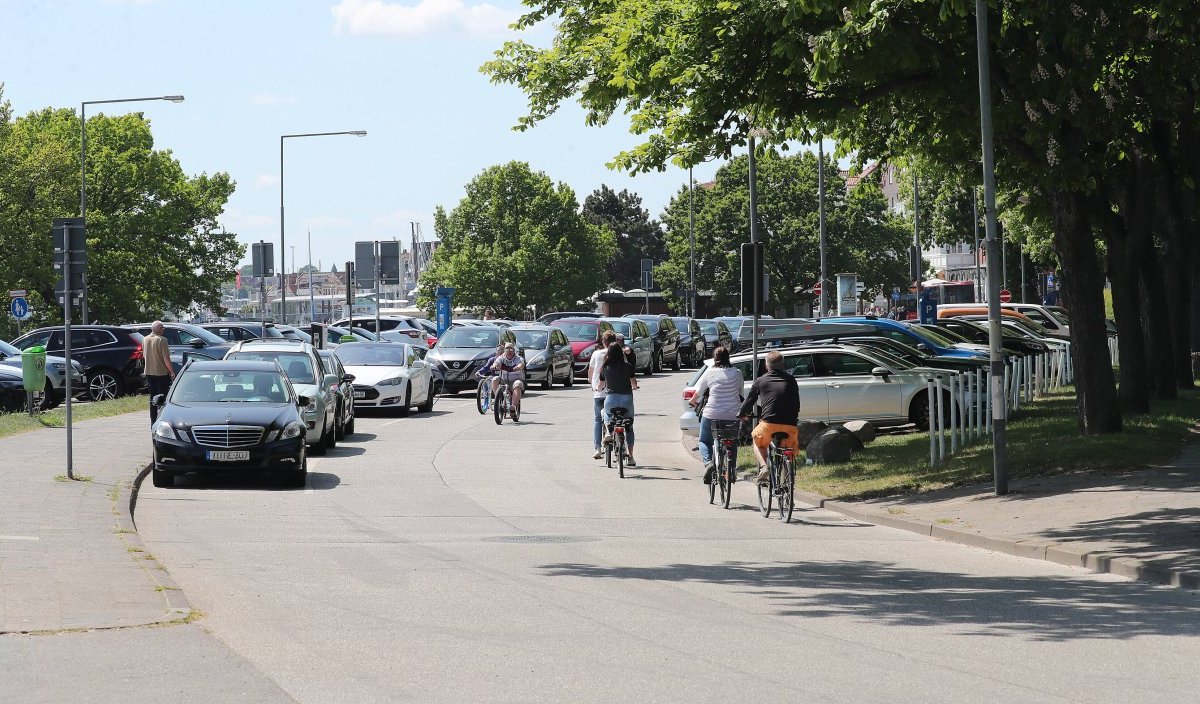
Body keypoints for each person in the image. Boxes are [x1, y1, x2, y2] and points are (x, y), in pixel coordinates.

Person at [738, 350, 799, 485]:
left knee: (757, 441)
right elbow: (796, 402)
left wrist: (741, 414)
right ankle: (787, 479)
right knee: (788, 449)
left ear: (767, 366)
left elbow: (749, 401)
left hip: (769, 424)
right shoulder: (791, 380)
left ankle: (764, 466)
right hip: (790, 424)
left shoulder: (761, 380)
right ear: (782, 365)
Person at [689, 346, 744, 484]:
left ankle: (709, 464)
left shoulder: (710, 373)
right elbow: (741, 394)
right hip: (732, 414)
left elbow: (699, 392)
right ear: (728, 357)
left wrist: (692, 401)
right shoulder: (737, 373)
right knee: (732, 443)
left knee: (704, 440)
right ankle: (731, 470)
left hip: (711, 413)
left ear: (715, 358)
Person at [598, 341, 639, 466]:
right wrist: (635, 387)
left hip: (611, 399)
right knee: (629, 426)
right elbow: (634, 383)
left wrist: (598, 389)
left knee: (605, 413)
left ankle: (609, 432)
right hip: (626, 399)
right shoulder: (627, 366)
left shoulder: (605, 367)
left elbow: (601, 385)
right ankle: (631, 456)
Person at [588, 330, 618, 459]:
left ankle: (598, 448)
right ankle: (618, 443)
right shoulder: (618, 353)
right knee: (615, 417)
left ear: (603, 342)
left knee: (597, 419)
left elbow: (591, 371)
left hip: (599, 392)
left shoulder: (596, 353)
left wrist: (591, 383)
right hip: (614, 391)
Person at [143, 321, 174, 424]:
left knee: (153, 398)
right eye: (162, 328)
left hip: (149, 372)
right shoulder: (162, 340)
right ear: (159, 329)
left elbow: (144, 355)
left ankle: (153, 421)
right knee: (162, 398)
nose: (163, 329)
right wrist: (172, 371)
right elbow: (166, 358)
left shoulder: (145, 339)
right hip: (161, 373)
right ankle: (162, 420)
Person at [490, 342, 526, 420]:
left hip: (515, 380)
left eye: (511, 349)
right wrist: (495, 366)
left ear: (514, 350)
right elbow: (497, 362)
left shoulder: (518, 358)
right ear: (504, 350)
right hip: (504, 380)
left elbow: (521, 364)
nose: (509, 351)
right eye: (507, 349)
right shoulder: (501, 357)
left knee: (518, 384)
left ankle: (513, 407)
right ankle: (498, 398)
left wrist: (516, 368)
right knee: (495, 379)